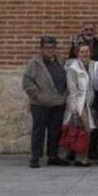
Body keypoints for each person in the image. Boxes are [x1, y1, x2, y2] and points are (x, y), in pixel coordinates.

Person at [22, 36, 69, 168]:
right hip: (40, 103)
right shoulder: (34, 63)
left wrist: (65, 94)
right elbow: (27, 81)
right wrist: (36, 95)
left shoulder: (60, 60)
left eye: (52, 47)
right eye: (47, 47)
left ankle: (53, 156)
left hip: (58, 102)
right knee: (39, 131)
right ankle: (35, 157)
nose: (50, 50)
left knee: (55, 131)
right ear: (41, 48)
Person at [63, 43, 97, 167]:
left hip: (90, 103)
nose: (85, 54)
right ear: (77, 53)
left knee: (84, 132)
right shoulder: (72, 67)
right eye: (82, 52)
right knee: (84, 131)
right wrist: (75, 109)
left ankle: (81, 157)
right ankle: (80, 158)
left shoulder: (94, 65)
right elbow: (72, 90)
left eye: (87, 51)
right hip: (79, 103)